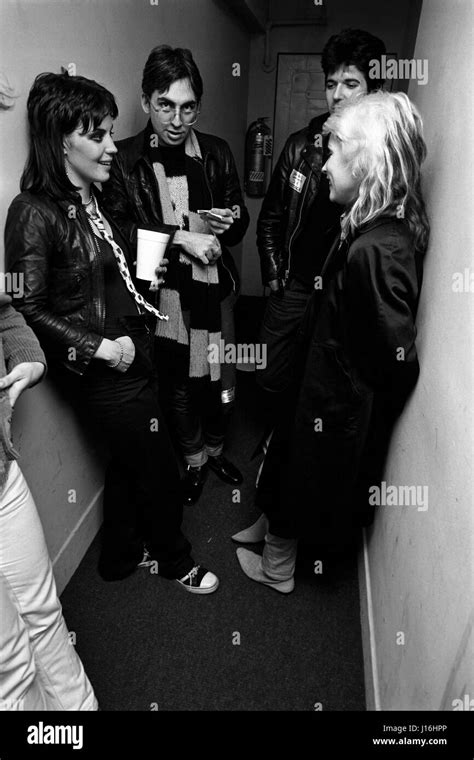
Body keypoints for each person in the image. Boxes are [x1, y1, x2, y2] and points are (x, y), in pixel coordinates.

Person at [5, 72, 219, 594]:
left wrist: (151, 270)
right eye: (96, 135)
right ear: (61, 141)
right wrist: (101, 348)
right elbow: (28, 307)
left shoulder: (98, 196)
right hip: (104, 368)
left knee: (127, 463)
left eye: (108, 133)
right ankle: (175, 560)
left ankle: (121, 555)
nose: (109, 146)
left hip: (135, 346)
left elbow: (119, 266)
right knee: (162, 468)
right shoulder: (32, 211)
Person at [234, 91, 430, 592]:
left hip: (331, 396)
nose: (324, 165)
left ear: (366, 164)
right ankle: (268, 531)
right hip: (315, 378)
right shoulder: (368, 227)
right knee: (281, 456)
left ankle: (278, 571)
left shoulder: (379, 248)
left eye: (338, 153)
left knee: (299, 475)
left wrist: (345, 386)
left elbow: (396, 360)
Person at [102, 45, 250, 507]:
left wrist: (232, 221)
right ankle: (193, 459)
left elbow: (241, 219)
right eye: (165, 105)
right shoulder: (124, 160)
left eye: (187, 107)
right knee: (178, 383)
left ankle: (216, 448)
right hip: (160, 294)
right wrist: (180, 237)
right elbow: (118, 230)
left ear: (197, 109)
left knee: (219, 377)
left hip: (214, 289)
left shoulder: (217, 152)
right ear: (146, 102)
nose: (176, 119)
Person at [255, 29, 386, 421]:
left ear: (374, 88)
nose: (338, 94)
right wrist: (275, 274)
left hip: (338, 292)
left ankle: (292, 443)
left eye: (351, 83)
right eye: (332, 84)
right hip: (294, 283)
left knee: (319, 377)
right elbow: (272, 218)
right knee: (267, 372)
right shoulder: (300, 145)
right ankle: (273, 433)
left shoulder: (381, 156)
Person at [0, 293, 98, 710]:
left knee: (43, 614)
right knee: (10, 669)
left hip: (2, 476)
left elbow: (4, 313)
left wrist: (27, 356)